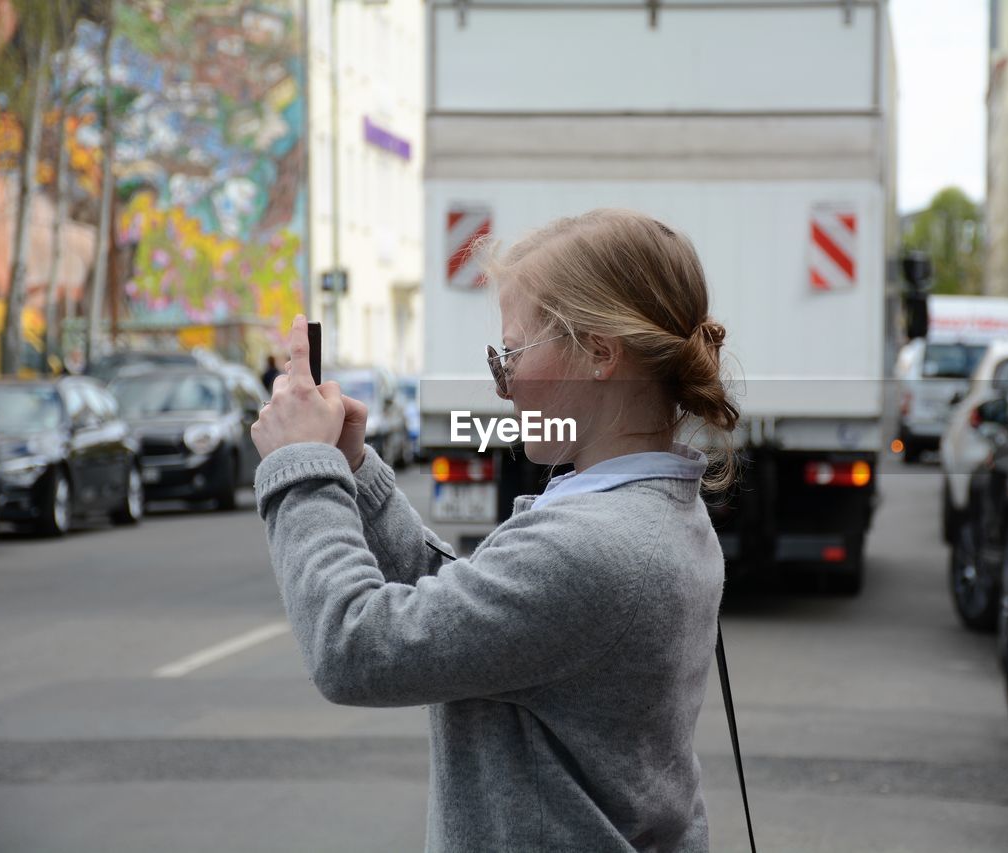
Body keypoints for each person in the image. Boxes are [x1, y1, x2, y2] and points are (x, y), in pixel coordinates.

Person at [250, 209, 741, 851]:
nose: (504, 385)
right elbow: (474, 617)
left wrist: (300, 468)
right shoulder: (653, 511)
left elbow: (353, 648)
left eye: (510, 353)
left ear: (599, 353)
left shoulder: (592, 547)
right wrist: (354, 471)